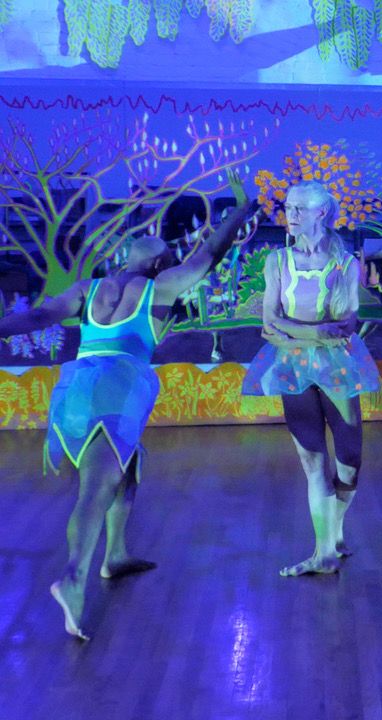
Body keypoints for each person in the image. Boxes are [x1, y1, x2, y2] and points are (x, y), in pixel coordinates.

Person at [0, 175, 257, 639]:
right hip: (117, 387)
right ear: (159, 262)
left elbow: (38, 316)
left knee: (128, 465)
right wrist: (240, 209)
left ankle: (114, 555)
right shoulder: (160, 287)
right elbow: (210, 255)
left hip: (78, 386)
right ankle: (74, 579)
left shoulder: (87, 289)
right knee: (96, 487)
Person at [242, 181, 381, 576]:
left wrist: (296, 331)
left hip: (337, 364)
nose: (291, 214)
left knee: (350, 459)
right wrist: (315, 333)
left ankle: (335, 530)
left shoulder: (345, 264)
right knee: (311, 459)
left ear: (322, 212)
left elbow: (346, 324)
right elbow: (269, 321)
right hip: (292, 365)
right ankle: (323, 551)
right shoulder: (277, 261)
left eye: (300, 208)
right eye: (289, 207)